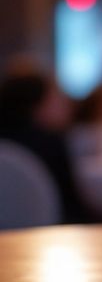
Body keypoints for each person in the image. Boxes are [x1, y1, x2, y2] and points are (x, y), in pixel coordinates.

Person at [0, 66, 88, 223]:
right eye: (53, 98)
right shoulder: (51, 143)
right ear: (37, 105)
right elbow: (73, 206)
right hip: (53, 233)